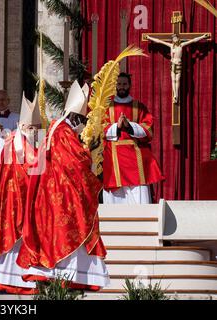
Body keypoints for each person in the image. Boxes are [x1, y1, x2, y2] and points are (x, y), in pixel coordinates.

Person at [17, 81, 110, 291]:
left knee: (57, 232)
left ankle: (69, 277)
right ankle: (66, 278)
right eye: (82, 120)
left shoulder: (55, 128)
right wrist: (90, 152)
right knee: (70, 229)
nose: (83, 125)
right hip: (63, 192)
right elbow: (75, 162)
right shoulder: (64, 132)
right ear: (74, 117)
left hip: (54, 190)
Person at [0, 92, 41, 295]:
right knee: (12, 243)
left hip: (29, 201)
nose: (35, 131)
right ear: (23, 127)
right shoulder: (13, 143)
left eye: (37, 128)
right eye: (32, 128)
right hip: (13, 201)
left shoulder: (33, 144)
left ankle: (27, 282)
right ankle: (4, 283)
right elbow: (19, 171)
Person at [102, 73, 164, 204]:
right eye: (119, 84)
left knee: (139, 192)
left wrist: (129, 125)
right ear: (115, 86)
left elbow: (148, 129)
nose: (122, 87)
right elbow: (100, 128)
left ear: (129, 85)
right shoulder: (107, 108)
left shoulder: (139, 107)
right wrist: (117, 126)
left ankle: (142, 221)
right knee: (116, 197)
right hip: (114, 156)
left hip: (135, 156)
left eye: (124, 84)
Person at [146, 33, 210, 103]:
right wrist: (149, 38)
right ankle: (175, 95)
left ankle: (176, 93)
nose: (174, 39)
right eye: (173, 39)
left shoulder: (181, 45)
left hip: (179, 65)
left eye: (175, 38)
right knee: (173, 80)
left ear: (178, 39)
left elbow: (193, 40)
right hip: (173, 64)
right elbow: (159, 41)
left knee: (178, 80)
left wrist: (203, 36)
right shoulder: (171, 46)